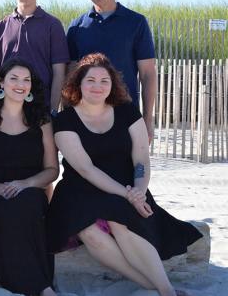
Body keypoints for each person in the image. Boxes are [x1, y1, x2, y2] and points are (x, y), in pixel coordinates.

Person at [47, 53, 202, 296]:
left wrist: (138, 190)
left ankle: (165, 290)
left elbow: (141, 159)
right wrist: (127, 195)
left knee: (120, 222)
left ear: (112, 85)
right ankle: (155, 286)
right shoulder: (66, 120)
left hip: (128, 182)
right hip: (80, 189)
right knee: (89, 231)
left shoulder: (127, 112)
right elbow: (86, 169)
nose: (97, 87)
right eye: (91, 81)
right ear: (78, 83)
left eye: (104, 81)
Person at [0, 59, 59, 296]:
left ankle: (41, 284)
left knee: (27, 207)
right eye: (14, 79)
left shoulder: (43, 121)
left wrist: (25, 184)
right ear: (2, 83)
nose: (21, 84)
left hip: (30, 189)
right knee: (5, 211)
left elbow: (52, 170)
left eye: (26, 80)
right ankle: (41, 288)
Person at [67, 0, 157, 141]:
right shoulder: (77, 27)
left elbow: (147, 73)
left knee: (126, 167)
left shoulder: (136, 22)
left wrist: (147, 119)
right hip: (85, 116)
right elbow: (70, 74)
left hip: (125, 113)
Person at [0, 0, 69, 114]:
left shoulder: (52, 25)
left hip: (40, 105)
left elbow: (59, 71)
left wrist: (53, 109)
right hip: (5, 107)